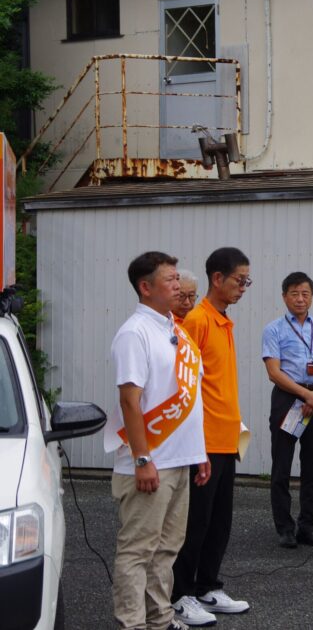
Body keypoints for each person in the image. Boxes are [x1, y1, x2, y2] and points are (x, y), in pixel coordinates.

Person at [106, 251, 210, 630]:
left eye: (177, 278)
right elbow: (130, 401)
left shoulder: (174, 329)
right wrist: (141, 458)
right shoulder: (134, 333)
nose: (178, 286)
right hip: (151, 462)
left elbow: (190, 397)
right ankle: (132, 623)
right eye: (170, 279)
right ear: (145, 287)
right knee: (138, 550)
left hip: (179, 459)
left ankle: (160, 619)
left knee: (166, 550)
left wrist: (198, 452)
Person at [171, 247, 251, 626]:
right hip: (202, 442)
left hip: (226, 438)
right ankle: (181, 594)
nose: (243, 287)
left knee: (219, 521)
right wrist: (195, 443)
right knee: (195, 523)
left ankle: (207, 586)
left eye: (247, 281)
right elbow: (185, 387)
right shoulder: (197, 320)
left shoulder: (223, 321)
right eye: (240, 280)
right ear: (217, 278)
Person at [261, 271, 313, 548]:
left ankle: (308, 527)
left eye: (305, 293)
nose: (300, 298)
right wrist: (306, 394)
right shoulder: (274, 329)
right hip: (288, 398)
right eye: (294, 293)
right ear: (284, 297)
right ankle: (284, 528)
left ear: (312, 297)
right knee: (282, 465)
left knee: (312, 465)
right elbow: (273, 372)